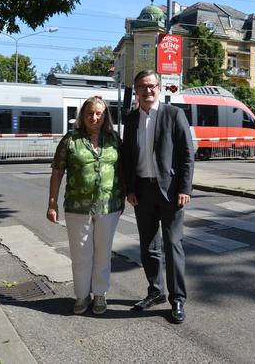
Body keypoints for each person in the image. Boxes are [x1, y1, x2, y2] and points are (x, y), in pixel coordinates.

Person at [122, 69, 194, 324]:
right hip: (142, 190)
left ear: (159, 88)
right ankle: (155, 291)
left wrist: (185, 188)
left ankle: (177, 299)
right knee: (149, 246)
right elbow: (128, 157)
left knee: (173, 246)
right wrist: (128, 189)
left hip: (171, 191)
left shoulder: (174, 115)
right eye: (142, 86)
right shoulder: (130, 120)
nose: (148, 90)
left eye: (152, 86)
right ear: (137, 90)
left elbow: (187, 154)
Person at [46, 96, 124, 316]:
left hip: (109, 205)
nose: (95, 117)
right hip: (77, 207)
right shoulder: (71, 140)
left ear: (105, 116)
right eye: (90, 113)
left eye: (99, 113)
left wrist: (127, 195)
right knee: (81, 254)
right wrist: (52, 202)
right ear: (82, 115)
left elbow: (122, 169)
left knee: (103, 253)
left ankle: (100, 294)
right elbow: (57, 171)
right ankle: (82, 295)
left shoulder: (113, 139)